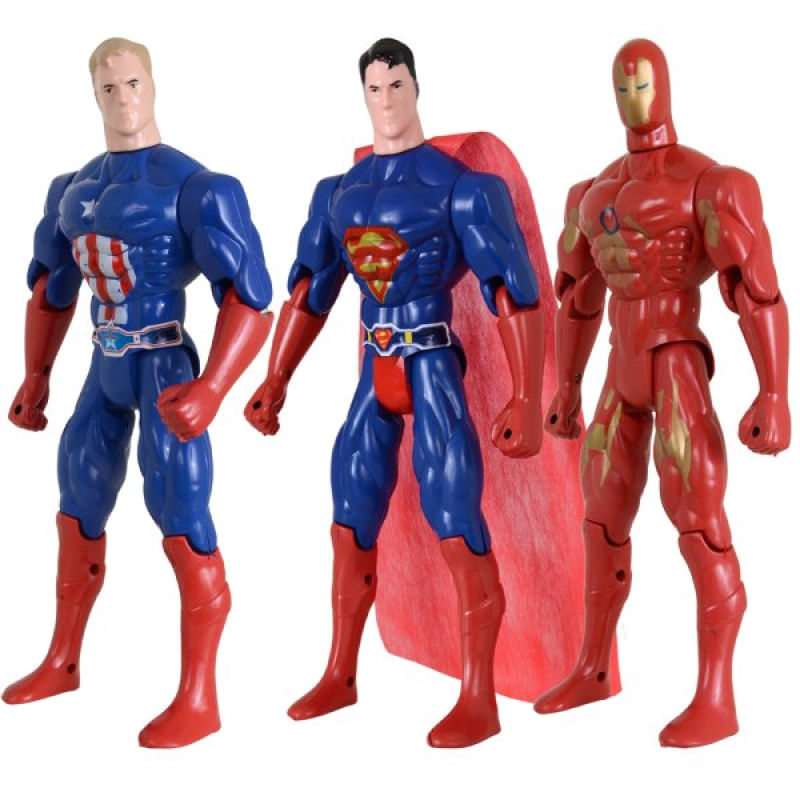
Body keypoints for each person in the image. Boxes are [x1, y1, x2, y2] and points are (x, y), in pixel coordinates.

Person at [246, 38, 544, 748]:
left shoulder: (461, 187)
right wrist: (275, 379)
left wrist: (528, 396)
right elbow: (310, 293)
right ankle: (340, 673)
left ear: (416, 87)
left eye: (397, 85)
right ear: (364, 95)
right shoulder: (338, 194)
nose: (386, 99)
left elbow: (511, 292)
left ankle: (479, 695)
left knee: (454, 516)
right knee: (349, 514)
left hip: (433, 361)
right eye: (374, 88)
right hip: (373, 366)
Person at [4, 37, 273, 748]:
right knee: (77, 501)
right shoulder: (71, 189)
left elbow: (249, 297)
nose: (124, 99)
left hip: (163, 364)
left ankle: (200, 696)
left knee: (181, 513)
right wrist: (35, 374)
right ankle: (63, 660)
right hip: (104, 362)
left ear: (152, 85)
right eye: (109, 88)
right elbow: (52, 287)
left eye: (133, 84)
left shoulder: (197, 186)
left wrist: (213, 387)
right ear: (93, 95)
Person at [535, 38, 791, 748]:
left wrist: (774, 394)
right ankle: (593, 667)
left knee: (698, 518)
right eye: (622, 86)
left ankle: (718, 697)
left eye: (642, 83)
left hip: (676, 356)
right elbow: (578, 299)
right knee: (600, 514)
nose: (633, 97)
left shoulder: (709, 182)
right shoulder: (590, 194)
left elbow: (756, 292)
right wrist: (567, 385)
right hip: (619, 363)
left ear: (665, 86)